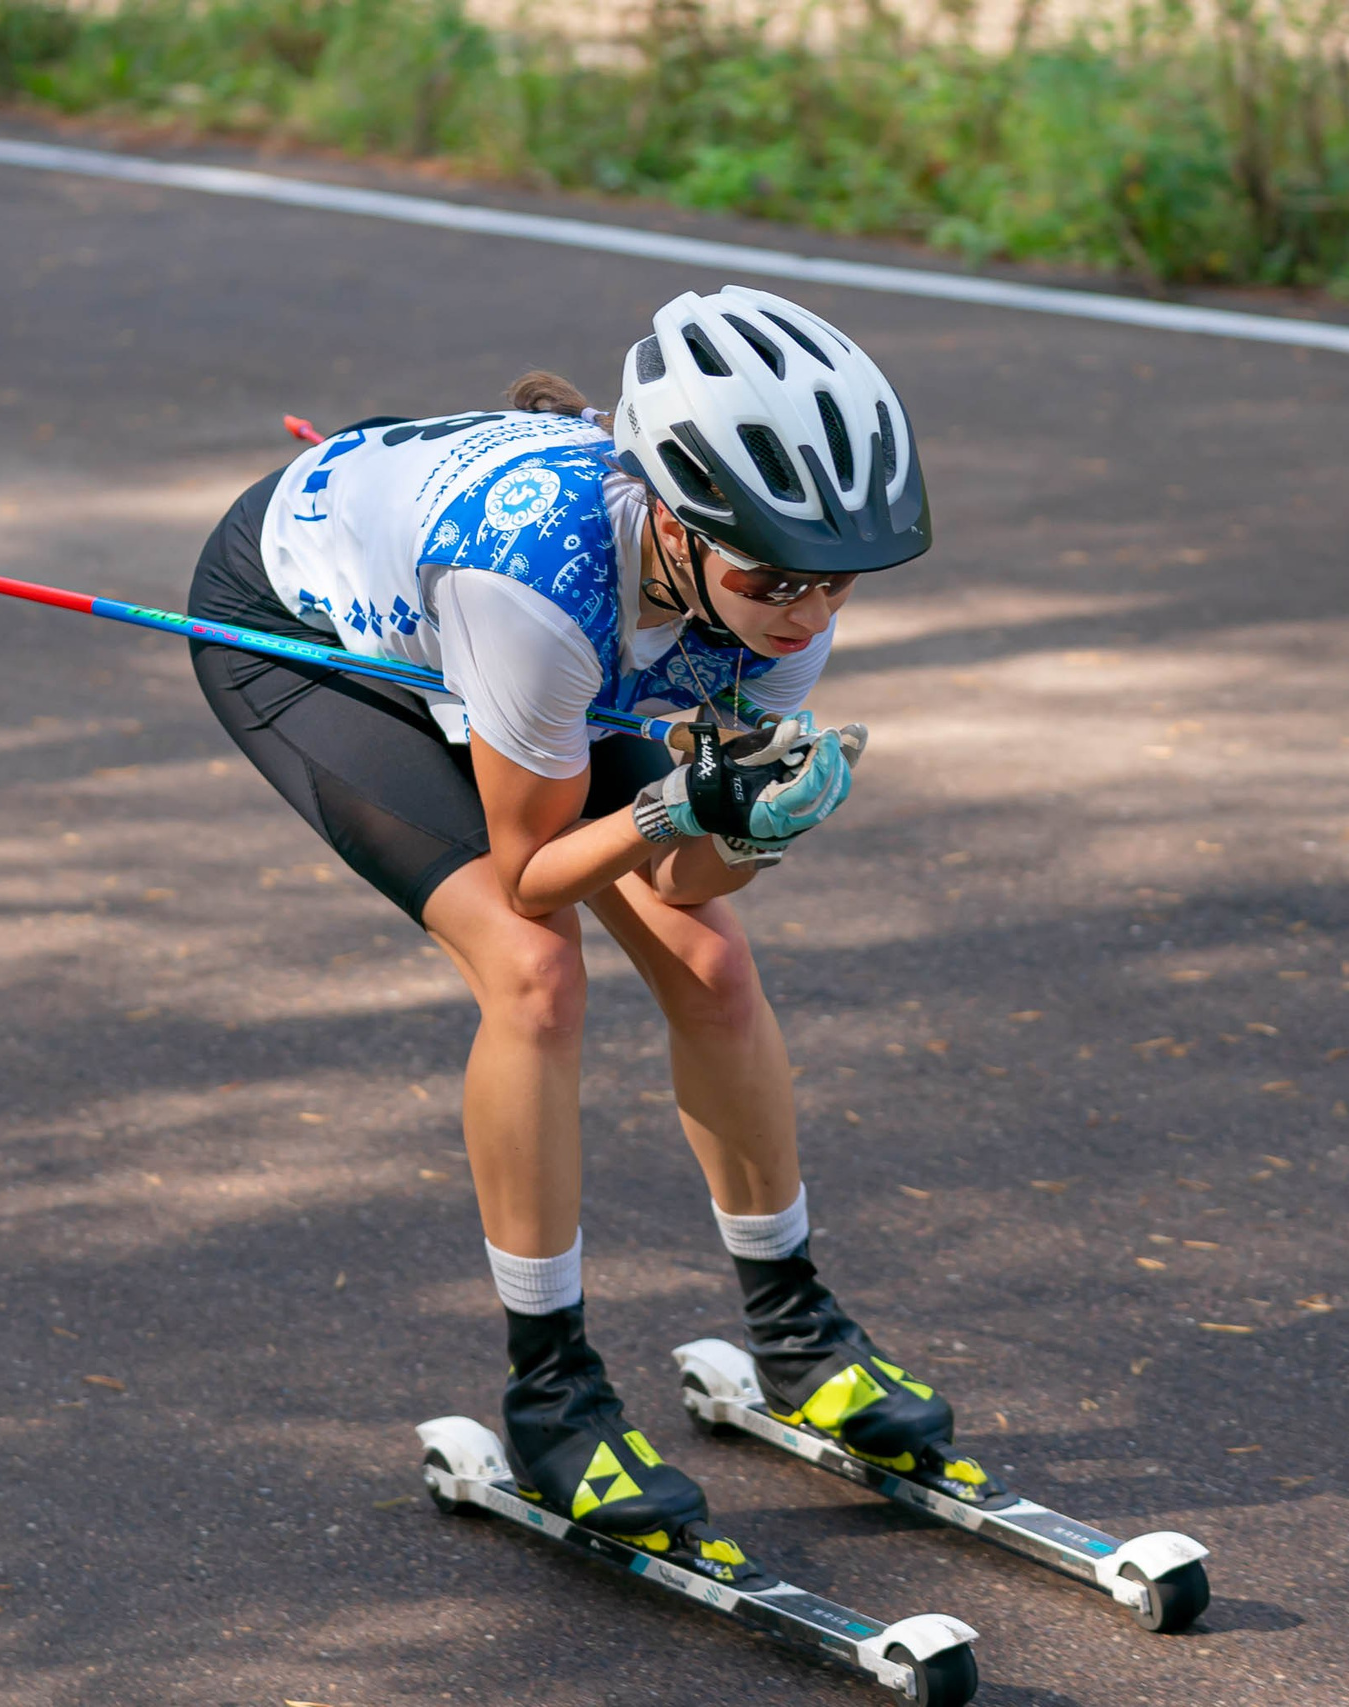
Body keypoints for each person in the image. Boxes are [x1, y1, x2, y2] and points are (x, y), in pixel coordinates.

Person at [185, 285, 1004, 1580]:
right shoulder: (544, 591)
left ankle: (798, 1329)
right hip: (311, 633)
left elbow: (687, 892)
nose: (806, 611)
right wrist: (686, 797)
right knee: (533, 979)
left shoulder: (769, 579)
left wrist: (754, 826)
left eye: (837, 580)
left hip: (538, 637)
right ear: (678, 524)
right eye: (776, 580)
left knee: (711, 963)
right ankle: (552, 1387)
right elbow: (530, 880)